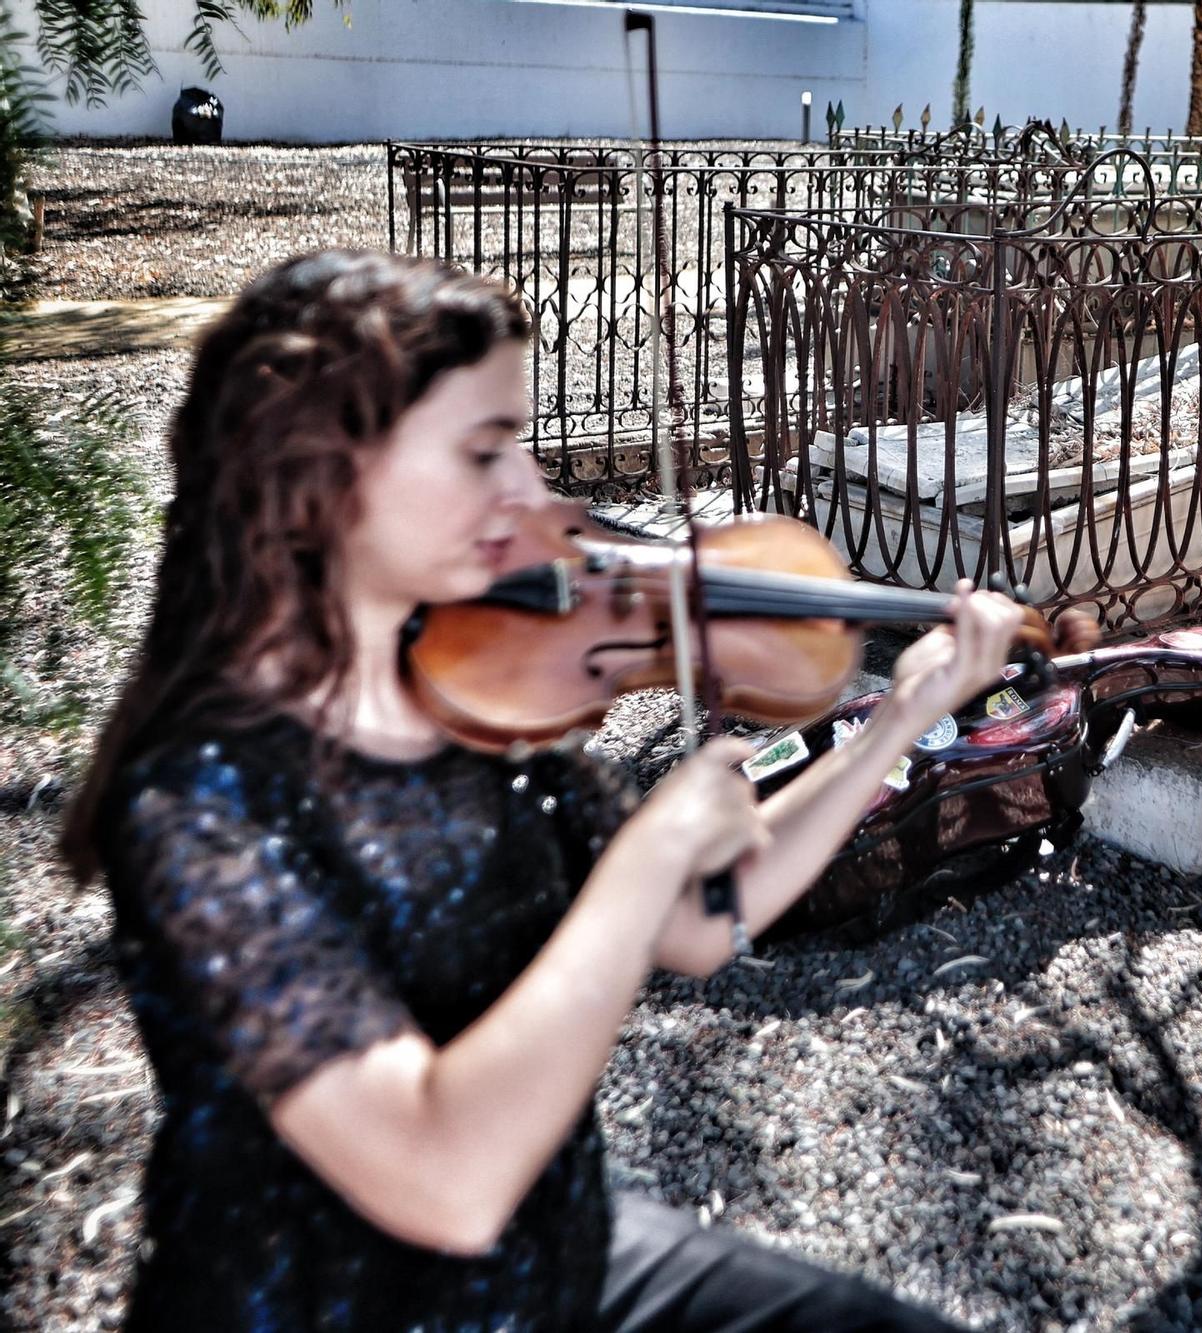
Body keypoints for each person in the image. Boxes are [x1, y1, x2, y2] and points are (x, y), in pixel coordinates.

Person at [60, 249, 1026, 1332]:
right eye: (484, 451)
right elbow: (444, 1181)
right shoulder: (199, 802)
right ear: (319, 469)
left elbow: (703, 917)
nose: (528, 488)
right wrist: (646, 856)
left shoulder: (474, 691)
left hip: (556, 1254)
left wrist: (895, 718)